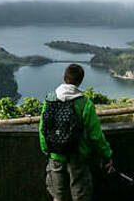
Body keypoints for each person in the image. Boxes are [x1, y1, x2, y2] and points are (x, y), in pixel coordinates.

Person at [39, 64, 113, 201]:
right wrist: (106, 155)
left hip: (55, 155)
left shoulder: (49, 100)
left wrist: (47, 151)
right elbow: (96, 136)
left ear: (64, 78)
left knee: (57, 196)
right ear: (80, 81)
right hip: (77, 158)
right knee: (80, 196)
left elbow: (43, 129)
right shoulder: (85, 104)